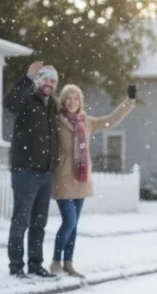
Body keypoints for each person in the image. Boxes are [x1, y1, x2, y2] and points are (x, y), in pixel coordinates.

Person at [51, 83, 137, 277]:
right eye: (69, 98)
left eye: (76, 98)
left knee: (74, 225)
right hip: (63, 177)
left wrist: (128, 102)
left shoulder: (86, 122)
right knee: (69, 222)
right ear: (63, 101)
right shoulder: (56, 121)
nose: (72, 102)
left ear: (80, 102)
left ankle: (68, 263)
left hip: (81, 179)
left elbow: (111, 120)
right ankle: (56, 262)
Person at [4, 61, 59, 278]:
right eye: (45, 79)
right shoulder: (27, 99)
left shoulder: (52, 106)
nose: (49, 83)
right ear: (38, 80)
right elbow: (9, 102)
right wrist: (25, 79)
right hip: (25, 170)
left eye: (53, 81)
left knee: (39, 223)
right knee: (21, 220)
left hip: (45, 172)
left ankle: (35, 264)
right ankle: (16, 266)